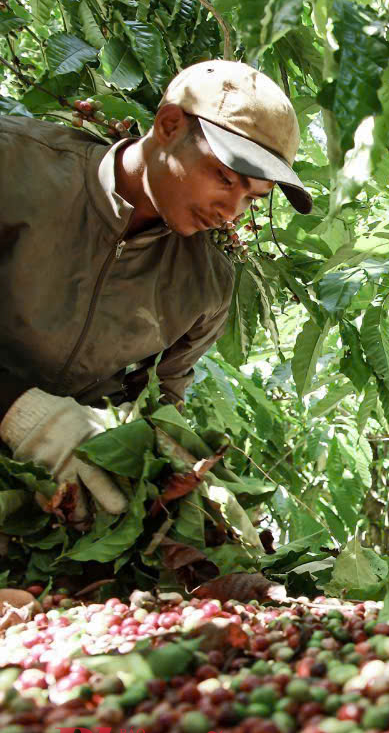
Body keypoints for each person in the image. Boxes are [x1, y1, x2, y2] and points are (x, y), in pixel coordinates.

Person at [1, 60, 311, 517]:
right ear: (168, 126)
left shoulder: (204, 288)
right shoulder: (15, 165)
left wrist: (171, 484)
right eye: (225, 178)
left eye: (251, 198)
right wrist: (20, 412)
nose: (231, 211)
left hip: (47, 502)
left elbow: (157, 403)